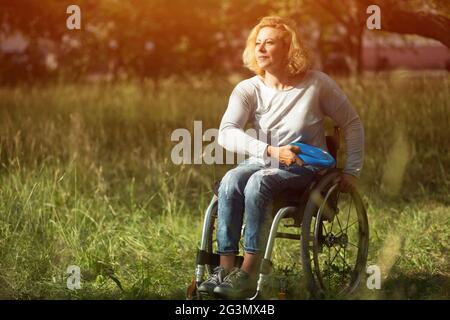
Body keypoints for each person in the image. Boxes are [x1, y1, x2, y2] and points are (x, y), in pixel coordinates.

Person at [198, 16, 364, 299]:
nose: (260, 48)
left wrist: (352, 170)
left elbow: (352, 123)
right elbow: (226, 133)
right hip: (265, 160)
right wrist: (271, 151)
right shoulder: (248, 89)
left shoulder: (316, 85)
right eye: (257, 43)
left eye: (269, 42)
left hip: (306, 168)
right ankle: (225, 271)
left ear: (288, 48)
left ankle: (248, 274)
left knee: (258, 183)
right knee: (231, 180)